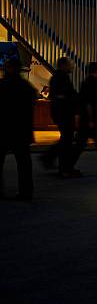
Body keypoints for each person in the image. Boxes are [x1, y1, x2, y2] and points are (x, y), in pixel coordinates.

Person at [0, 58, 37, 200]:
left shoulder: (2, 85)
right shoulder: (25, 86)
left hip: (3, 129)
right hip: (21, 130)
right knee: (24, 163)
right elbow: (32, 103)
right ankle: (26, 191)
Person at [42, 57, 81, 178]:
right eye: (70, 64)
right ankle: (63, 168)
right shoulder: (60, 78)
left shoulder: (59, 77)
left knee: (66, 139)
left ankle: (53, 160)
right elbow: (63, 96)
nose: (73, 66)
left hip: (61, 113)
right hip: (63, 113)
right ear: (63, 65)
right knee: (66, 140)